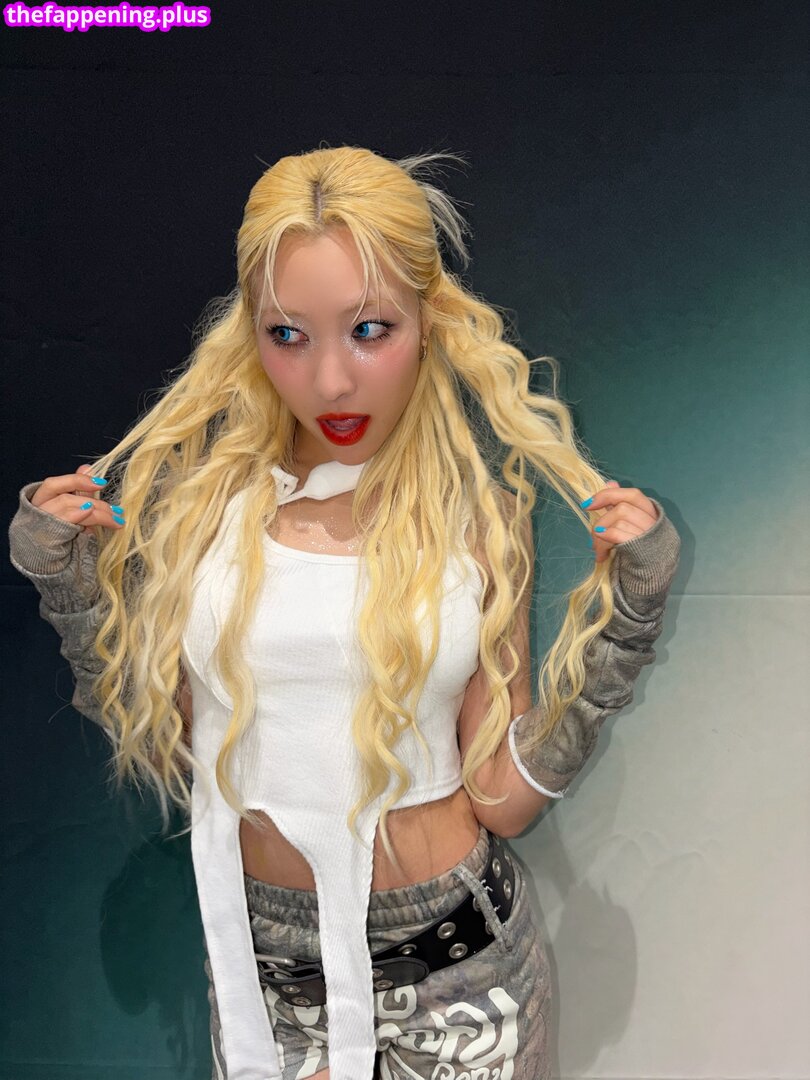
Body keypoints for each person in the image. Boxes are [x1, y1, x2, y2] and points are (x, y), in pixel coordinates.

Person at [8, 145, 681, 1080]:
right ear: (249, 336)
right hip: (267, 978)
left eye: (369, 330)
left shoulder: (482, 520)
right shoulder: (203, 517)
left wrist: (627, 624)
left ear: (429, 324)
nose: (331, 381)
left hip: (457, 970)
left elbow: (500, 796)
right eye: (289, 335)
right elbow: (175, 751)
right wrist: (70, 586)